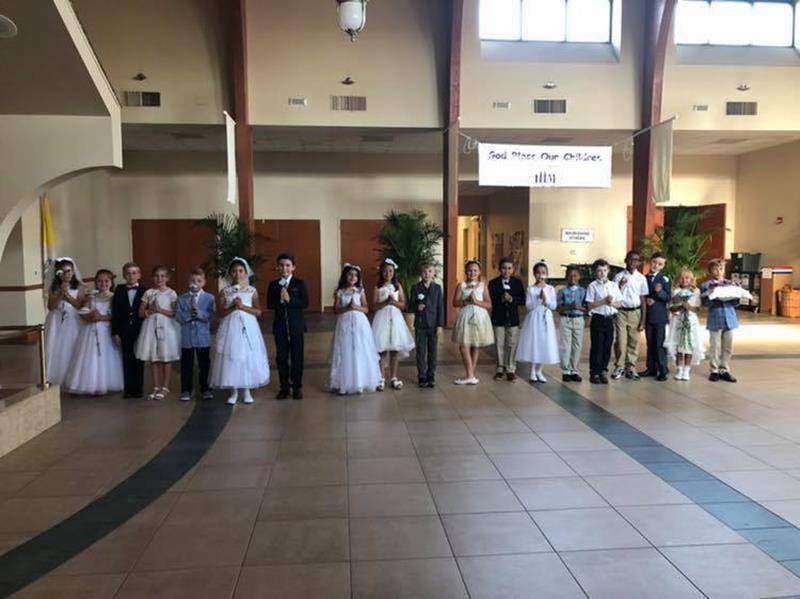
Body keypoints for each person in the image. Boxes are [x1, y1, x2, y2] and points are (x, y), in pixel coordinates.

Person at [211, 258, 270, 405]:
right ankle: (234, 390)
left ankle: (247, 389)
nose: (237, 274)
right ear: (230, 273)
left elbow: (258, 311)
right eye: (234, 271)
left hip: (248, 328)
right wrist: (232, 307)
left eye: (241, 271)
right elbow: (220, 313)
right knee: (232, 356)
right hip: (230, 327)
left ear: (245, 272)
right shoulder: (225, 292)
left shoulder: (252, 291)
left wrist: (243, 307)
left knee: (247, 356)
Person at [64, 269, 123, 395]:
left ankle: (106, 382)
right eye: (100, 281)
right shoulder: (91, 297)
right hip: (90, 331)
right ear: (96, 282)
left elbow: (117, 316)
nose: (103, 283)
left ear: (111, 282)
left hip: (106, 330)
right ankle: (91, 383)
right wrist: (89, 316)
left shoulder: (114, 297)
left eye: (106, 281)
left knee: (106, 356)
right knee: (91, 357)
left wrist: (101, 317)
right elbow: (82, 312)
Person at [329, 264, 381, 395]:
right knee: (345, 350)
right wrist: (347, 308)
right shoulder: (340, 292)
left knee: (359, 349)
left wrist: (356, 307)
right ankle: (343, 382)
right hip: (345, 323)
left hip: (360, 324)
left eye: (355, 275)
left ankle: (360, 382)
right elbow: (336, 310)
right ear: (345, 276)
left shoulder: (360, 291)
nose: (353, 277)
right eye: (350, 275)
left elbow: (366, 308)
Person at [266, 253, 309, 400]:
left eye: (288, 265)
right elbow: (270, 305)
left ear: (293, 268)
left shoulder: (299, 283)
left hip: (296, 326)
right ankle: (284, 387)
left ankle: (296, 387)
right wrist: (280, 299)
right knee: (281, 358)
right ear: (277, 267)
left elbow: (304, 303)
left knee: (297, 357)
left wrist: (290, 300)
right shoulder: (273, 285)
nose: (284, 268)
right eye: (282, 265)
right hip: (280, 327)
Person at [135, 266, 181, 400]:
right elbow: (140, 313)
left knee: (165, 357)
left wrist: (160, 310)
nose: (159, 279)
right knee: (154, 358)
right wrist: (150, 311)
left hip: (166, 327)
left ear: (167, 278)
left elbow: (174, 313)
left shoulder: (171, 293)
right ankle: (156, 386)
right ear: (152, 278)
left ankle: (165, 386)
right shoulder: (149, 293)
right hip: (151, 326)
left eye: (162, 276)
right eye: (156, 276)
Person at [372, 258, 415, 390]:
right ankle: (381, 377)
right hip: (382, 319)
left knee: (395, 349)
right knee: (382, 350)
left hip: (395, 319)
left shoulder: (398, 286)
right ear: (381, 273)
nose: (388, 273)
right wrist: (385, 302)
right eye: (385, 271)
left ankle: (394, 377)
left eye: (390, 271)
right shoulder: (378, 287)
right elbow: (374, 305)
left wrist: (393, 302)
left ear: (394, 272)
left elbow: (403, 304)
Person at [451, 260, 494, 385]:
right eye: (470, 270)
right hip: (466, 316)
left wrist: (476, 302)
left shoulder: (482, 285)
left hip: (480, 317)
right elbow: (455, 302)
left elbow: (488, 304)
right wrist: (465, 301)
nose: (472, 273)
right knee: (464, 346)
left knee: (476, 345)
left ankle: (471, 374)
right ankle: (470, 375)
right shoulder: (462, 285)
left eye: (475, 270)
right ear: (465, 272)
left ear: (479, 272)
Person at [175, 268, 215, 401]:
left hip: (202, 338)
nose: (195, 283)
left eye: (199, 281)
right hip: (187, 338)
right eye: (192, 280)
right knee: (186, 365)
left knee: (204, 364)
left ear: (204, 282)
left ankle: (205, 388)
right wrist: (188, 315)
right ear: (188, 282)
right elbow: (178, 317)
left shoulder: (209, 298)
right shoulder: (181, 298)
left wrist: (199, 313)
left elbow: (211, 316)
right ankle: (186, 389)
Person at [44, 257, 86, 385]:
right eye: (62, 272)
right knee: (56, 347)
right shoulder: (54, 287)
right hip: (57, 320)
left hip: (73, 320)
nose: (66, 274)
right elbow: (51, 307)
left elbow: (79, 305)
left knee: (71, 346)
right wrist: (60, 293)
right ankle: (55, 376)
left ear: (73, 272)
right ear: (58, 273)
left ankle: (73, 376)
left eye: (69, 271)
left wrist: (67, 295)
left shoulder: (79, 286)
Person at [516, 261, 559, 383]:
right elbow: (529, 306)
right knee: (535, 342)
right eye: (538, 273)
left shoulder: (550, 289)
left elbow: (553, 306)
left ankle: (539, 370)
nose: (541, 275)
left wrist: (545, 300)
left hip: (546, 317)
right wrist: (538, 299)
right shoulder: (531, 289)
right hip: (534, 318)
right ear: (534, 274)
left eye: (543, 273)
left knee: (544, 343)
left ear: (547, 274)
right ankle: (533, 371)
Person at [612, 251, 649, 380]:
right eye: (631, 259)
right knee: (621, 341)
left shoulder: (641, 278)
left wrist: (643, 320)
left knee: (634, 341)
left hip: (635, 312)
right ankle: (619, 366)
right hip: (621, 312)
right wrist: (620, 286)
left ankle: (631, 367)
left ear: (639, 262)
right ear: (626, 260)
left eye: (636, 260)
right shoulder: (618, 277)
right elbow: (614, 296)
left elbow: (643, 299)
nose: (634, 262)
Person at [700, 258, 739, 383]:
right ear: (710, 270)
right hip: (715, 317)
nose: (719, 271)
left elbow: (736, 302)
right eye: (715, 268)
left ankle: (724, 369)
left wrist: (736, 293)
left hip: (730, 318)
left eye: (721, 268)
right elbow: (705, 303)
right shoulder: (706, 285)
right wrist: (713, 294)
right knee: (715, 346)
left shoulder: (730, 283)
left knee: (728, 346)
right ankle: (714, 370)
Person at [112, 262, 146, 398]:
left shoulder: (145, 291)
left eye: (134, 273)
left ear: (139, 275)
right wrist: (115, 333)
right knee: (126, 359)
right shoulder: (119, 290)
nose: (131, 276)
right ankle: (128, 389)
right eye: (128, 273)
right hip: (124, 330)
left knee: (139, 359)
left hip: (139, 330)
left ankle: (138, 389)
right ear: (123, 275)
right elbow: (115, 313)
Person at [488, 257, 525, 382]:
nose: (506, 271)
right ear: (499, 269)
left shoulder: (517, 283)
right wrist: (501, 299)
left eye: (509, 268)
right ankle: (500, 368)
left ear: (513, 270)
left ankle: (510, 369)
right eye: (504, 268)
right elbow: (490, 300)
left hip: (513, 318)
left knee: (511, 343)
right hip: (498, 317)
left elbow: (522, 300)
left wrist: (511, 299)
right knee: (499, 343)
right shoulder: (493, 283)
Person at [585, 259, 622, 384]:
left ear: (608, 271)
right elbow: (589, 305)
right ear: (595, 272)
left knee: (607, 345)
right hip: (598, 318)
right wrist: (603, 301)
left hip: (609, 318)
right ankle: (594, 372)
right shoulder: (592, 286)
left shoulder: (613, 285)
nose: (602, 273)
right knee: (597, 346)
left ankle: (603, 371)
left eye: (605, 270)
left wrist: (612, 303)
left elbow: (619, 303)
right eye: (599, 271)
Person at [665, 267, 704, 381]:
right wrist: (680, 306)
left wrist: (689, 307)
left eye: (687, 278)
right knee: (679, 345)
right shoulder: (675, 291)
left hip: (690, 320)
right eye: (682, 278)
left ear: (691, 279)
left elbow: (698, 308)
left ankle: (686, 369)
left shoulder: (695, 291)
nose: (684, 280)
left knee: (688, 346)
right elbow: (671, 308)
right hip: (678, 320)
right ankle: (679, 369)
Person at [408, 264, 444, 388]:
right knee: (421, 351)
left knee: (433, 351)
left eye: (430, 271)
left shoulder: (437, 288)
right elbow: (410, 305)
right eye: (424, 271)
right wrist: (416, 307)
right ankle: (421, 375)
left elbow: (440, 307)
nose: (427, 274)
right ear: (420, 274)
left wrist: (440, 325)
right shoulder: (416, 288)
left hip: (433, 324)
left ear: (434, 274)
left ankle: (431, 374)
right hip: (421, 324)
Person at [640, 252, 671, 381]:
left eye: (659, 264)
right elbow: (642, 294)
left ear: (662, 266)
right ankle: (651, 368)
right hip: (648, 316)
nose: (656, 265)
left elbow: (668, 297)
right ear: (650, 262)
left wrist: (660, 293)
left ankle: (663, 369)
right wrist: (647, 300)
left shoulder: (664, 279)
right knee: (650, 343)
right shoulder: (644, 278)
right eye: (654, 262)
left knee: (659, 343)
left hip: (659, 316)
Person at [557, 265, 586, 382]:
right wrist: (569, 306)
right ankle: (566, 370)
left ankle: (574, 370)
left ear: (579, 277)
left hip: (578, 319)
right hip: (566, 319)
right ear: (566, 277)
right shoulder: (562, 291)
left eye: (575, 275)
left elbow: (587, 308)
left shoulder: (583, 291)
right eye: (570, 275)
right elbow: (558, 308)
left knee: (577, 345)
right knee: (565, 346)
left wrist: (578, 307)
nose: (573, 278)